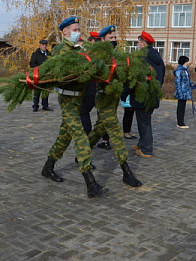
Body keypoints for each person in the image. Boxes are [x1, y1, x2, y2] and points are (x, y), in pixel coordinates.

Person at [41, 17, 107, 198]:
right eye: (75, 29)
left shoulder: (80, 49)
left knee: (65, 135)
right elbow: (59, 73)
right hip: (68, 100)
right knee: (80, 136)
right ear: (65, 32)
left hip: (79, 99)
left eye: (79, 29)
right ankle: (90, 183)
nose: (78, 32)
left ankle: (48, 167)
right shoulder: (60, 50)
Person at [86, 25, 142, 187]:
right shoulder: (97, 56)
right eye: (111, 38)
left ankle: (82, 152)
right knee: (116, 133)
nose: (114, 41)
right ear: (102, 39)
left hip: (114, 98)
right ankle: (126, 172)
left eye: (115, 38)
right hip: (103, 98)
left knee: (99, 129)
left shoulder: (118, 55)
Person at [122, 31, 165, 158]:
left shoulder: (141, 58)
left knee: (144, 122)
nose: (137, 44)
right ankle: (142, 144)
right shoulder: (157, 58)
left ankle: (147, 149)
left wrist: (124, 93)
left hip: (142, 95)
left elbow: (133, 78)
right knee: (143, 120)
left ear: (143, 43)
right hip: (152, 95)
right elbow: (160, 78)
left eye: (138, 42)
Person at [79, 31, 110, 150]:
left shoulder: (89, 54)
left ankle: (87, 137)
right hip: (103, 90)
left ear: (92, 41)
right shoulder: (105, 54)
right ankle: (105, 140)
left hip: (91, 89)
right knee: (102, 116)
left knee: (83, 112)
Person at [29, 39, 52, 112]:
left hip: (46, 75)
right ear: (40, 45)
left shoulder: (49, 54)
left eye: (45, 45)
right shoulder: (35, 54)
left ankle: (45, 106)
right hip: (38, 75)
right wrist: (39, 68)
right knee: (37, 91)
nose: (44, 46)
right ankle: (35, 106)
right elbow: (32, 64)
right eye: (43, 45)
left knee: (45, 91)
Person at [173, 56, 193, 129]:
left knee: (183, 106)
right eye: (187, 62)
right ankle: (180, 122)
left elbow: (186, 80)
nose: (187, 63)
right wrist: (179, 91)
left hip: (186, 90)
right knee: (180, 106)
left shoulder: (186, 70)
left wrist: (191, 84)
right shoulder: (179, 71)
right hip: (181, 91)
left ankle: (182, 121)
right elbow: (178, 82)